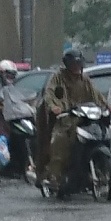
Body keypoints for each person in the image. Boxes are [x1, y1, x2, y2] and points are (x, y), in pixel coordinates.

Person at [35, 50, 99, 191]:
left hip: (81, 117)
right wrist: (54, 107)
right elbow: (50, 94)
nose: (77, 68)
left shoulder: (85, 79)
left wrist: (107, 107)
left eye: (78, 64)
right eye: (74, 65)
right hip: (62, 119)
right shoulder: (57, 78)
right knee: (60, 141)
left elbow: (96, 96)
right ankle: (54, 176)